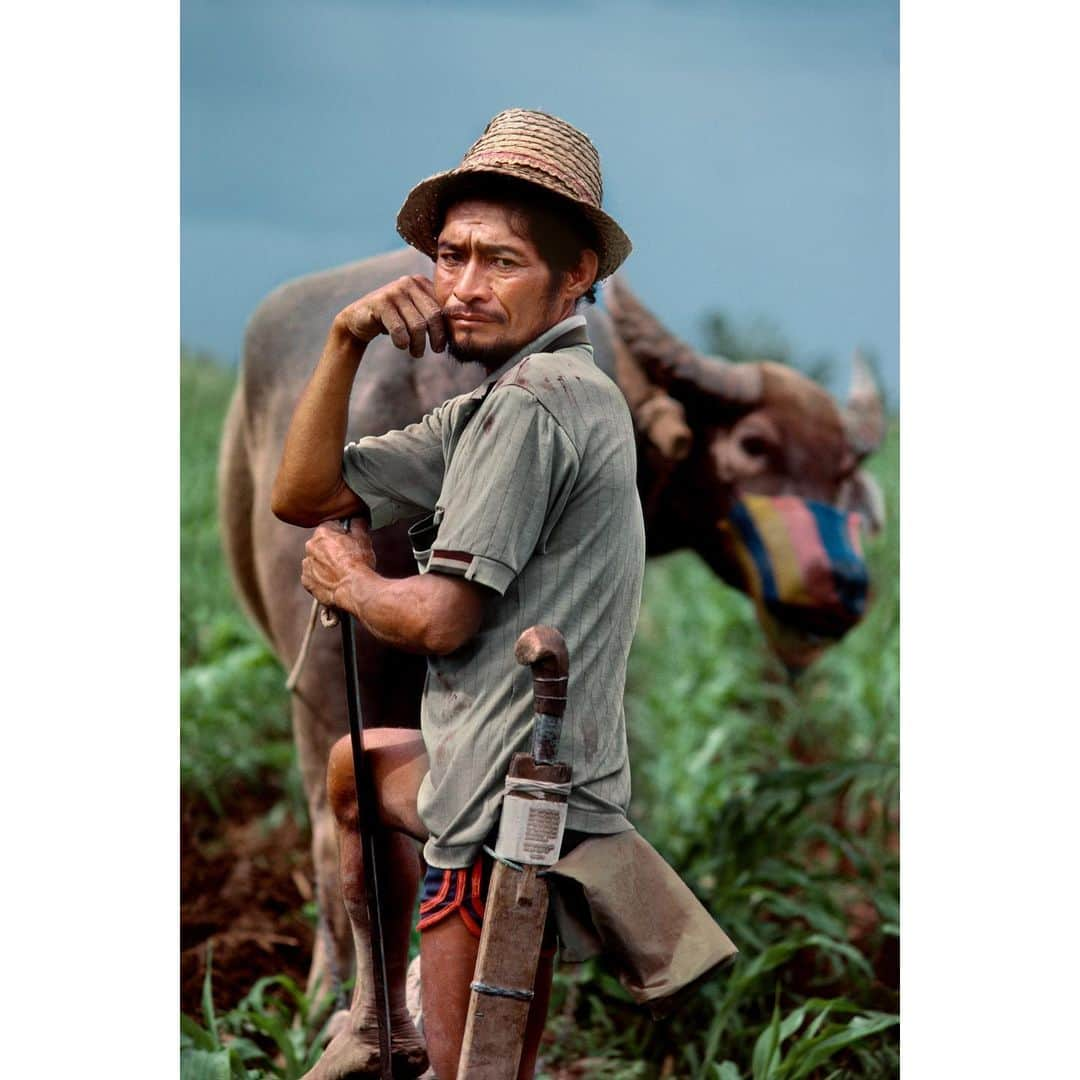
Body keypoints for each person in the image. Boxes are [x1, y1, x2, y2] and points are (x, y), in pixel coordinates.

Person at [272, 109, 734, 1080]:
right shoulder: (501, 402)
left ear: (576, 279)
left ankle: (405, 1032)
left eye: (502, 262)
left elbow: (441, 620)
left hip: (506, 805)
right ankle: (373, 1015)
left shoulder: (530, 412)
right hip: (479, 761)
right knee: (357, 772)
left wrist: (352, 581)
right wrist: (347, 339)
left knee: (470, 1068)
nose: (466, 288)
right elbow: (303, 493)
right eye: (451, 257)